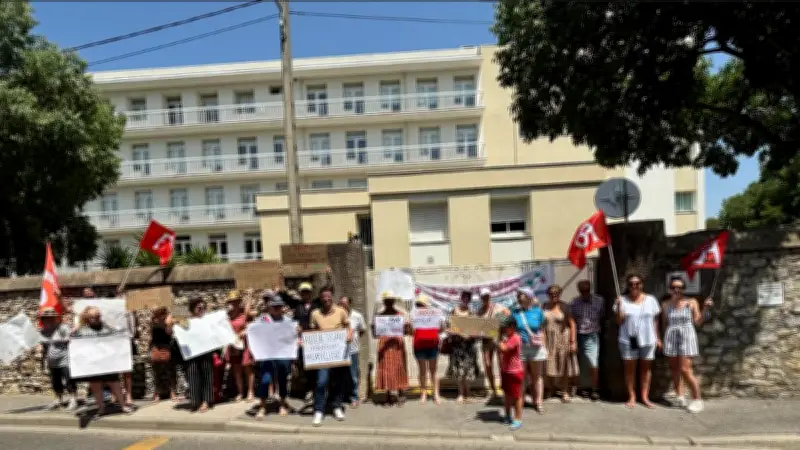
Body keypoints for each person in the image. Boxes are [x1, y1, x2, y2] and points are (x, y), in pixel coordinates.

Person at [662, 276, 713, 413]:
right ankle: (680, 395)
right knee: (674, 368)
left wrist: (705, 309)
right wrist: (662, 339)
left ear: (684, 289)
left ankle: (697, 399)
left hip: (686, 335)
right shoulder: (666, 304)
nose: (676, 290)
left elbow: (698, 322)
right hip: (671, 336)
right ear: (670, 289)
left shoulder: (691, 302)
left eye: (679, 287)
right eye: (673, 287)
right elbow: (664, 323)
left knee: (685, 369)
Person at [71, 306, 132, 417]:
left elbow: (117, 337)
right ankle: (101, 408)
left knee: (115, 383)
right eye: (93, 316)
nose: (95, 318)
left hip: (107, 361)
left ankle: (123, 406)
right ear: (87, 317)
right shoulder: (82, 330)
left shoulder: (106, 327)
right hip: (93, 363)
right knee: (96, 385)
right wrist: (73, 332)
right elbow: (73, 342)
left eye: (97, 316)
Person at [615, 274, 661, 409]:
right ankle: (632, 396)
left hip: (648, 339)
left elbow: (655, 320)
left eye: (637, 283)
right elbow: (619, 321)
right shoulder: (621, 300)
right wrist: (618, 307)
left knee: (646, 370)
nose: (634, 286)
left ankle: (645, 397)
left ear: (642, 284)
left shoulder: (651, 300)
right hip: (628, 340)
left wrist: (657, 337)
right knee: (630, 370)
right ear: (627, 286)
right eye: (631, 284)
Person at [309, 286, 352, 426]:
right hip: (322, 356)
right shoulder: (315, 314)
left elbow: (348, 326)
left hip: (338, 354)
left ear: (332, 297)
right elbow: (312, 331)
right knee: (321, 382)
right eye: (323, 296)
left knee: (338, 383)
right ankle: (319, 410)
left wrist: (349, 334)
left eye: (328, 296)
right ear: (320, 298)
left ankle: (337, 407)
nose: (326, 298)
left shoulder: (341, 311)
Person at [255, 295, 296, 419]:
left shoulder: (288, 321)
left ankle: (282, 404)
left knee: (282, 379)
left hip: (283, 355)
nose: (277, 309)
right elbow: (254, 333)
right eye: (274, 306)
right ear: (270, 307)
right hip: (267, 355)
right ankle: (262, 406)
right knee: (265, 380)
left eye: (279, 306)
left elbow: (292, 337)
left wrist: (296, 334)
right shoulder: (263, 320)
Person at [512, 287, 547, 414]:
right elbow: (511, 328)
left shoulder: (538, 311)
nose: (519, 297)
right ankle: (519, 400)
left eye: (522, 295)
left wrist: (543, 342)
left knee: (537, 376)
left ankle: (539, 402)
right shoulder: (515, 312)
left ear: (529, 297)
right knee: (521, 376)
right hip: (520, 348)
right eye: (519, 295)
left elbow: (542, 328)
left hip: (536, 348)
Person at [543, 285, 579, 402]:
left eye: (557, 293)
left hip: (563, 338)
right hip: (549, 339)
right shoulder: (544, 306)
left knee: (564, 366)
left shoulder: (565, 306)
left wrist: (573, 342)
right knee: (548, 365)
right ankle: (550, 389)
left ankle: (565, 391)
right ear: (548, 294)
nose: (554, 295)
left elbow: (572, 324)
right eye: (551, 293)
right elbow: (542, 325)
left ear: (560, 294)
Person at [373, 292, 409, 407]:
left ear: (394, 301)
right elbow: (375, 334)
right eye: (386, 300)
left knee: (399, 367)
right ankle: (387, 395)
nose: (388, 302)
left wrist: (407, 327)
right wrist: (374, 327)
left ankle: (401, 393)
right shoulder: (380, 316)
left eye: (390, 300)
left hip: (396, 344)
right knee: (386, 368)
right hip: (384, 344)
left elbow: (407, 332)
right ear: (384, 302)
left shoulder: (400, 315)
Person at [570, 280, 604, 400]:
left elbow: (601, 316)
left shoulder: (599, 301)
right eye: (582, 290)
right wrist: (573, 340)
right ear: (579, 290)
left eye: (586, 290)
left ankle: (595, 388)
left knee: (593, 362)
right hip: (579, 335)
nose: (584, 292)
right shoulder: (574, 302)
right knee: (580, 364)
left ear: (590, 289)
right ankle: (582, 387)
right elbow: (572, 320)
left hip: (592, 335)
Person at [39, 307, 77, 411]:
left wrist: (57, 339)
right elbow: (44, 347)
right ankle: (58, 400)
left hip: (65, 359)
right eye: (46, 318)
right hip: (52, 362)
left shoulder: (62, 328)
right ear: (43, 319)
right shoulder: (43, 331)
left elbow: (70, 338)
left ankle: (73, 399)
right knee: (55, 382)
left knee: (69, 380)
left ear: (55, 318)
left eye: (51, 318)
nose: (49, 320)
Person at [475, 287, 510, 400]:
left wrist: (500, 322)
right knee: (488, 365)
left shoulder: (498, 307)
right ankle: (493, 390)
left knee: (502, 365)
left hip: (498, 339)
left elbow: (508, 316)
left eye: (487, 296)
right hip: (486, 341)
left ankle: (504, 389)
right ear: (480, 298)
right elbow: (477, 327)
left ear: (490, 296)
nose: (485, 298)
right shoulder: (479, 311)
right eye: (483, 296)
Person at [446, 290, 480, 404]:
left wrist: (470, 336)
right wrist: (458, 333)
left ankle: (468, 393)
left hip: (469, 346)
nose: (466, 299)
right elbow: (448, 328)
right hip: (457, 346)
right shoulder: (454, 311)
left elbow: (477, 329)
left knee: (468, 370)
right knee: (459, 371)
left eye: (468, 298)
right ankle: (460, 394)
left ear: (470, 300)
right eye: (464, 297)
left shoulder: (472, 312)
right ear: (461, 298)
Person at [411, 294, 444, 405]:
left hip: (433, 344)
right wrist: (408, 325)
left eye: (422, 305)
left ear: (427, 306)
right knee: (422, 371)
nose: (420, 307)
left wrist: (441, 323)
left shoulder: (435, 315)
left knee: (433, 371)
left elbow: (441, 329)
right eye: (418, 305)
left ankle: (436, 394)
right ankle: (423, 393)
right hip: (419, 345)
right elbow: (411, 331)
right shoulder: (414, 315)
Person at [225, 290, 255, 402]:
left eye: (236, 301)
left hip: (244, 343)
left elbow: (252, 325)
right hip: (233, 344)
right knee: (236, 370)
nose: (234, 303)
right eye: (232, 301)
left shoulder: (245, 313)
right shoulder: (227, 315)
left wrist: (245, 330)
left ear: (239, 301)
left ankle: (250, 392)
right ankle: (240, 393)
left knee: (247, 368)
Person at [185, 296, 214, 412]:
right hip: (192, 353)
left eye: (203, 307)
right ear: (192, 309)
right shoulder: (187, 322)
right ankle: (194, 401)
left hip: (206, 351)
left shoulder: (209, 320)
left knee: (207, 375)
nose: (201, 308)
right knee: (192, 375)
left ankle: (206, 401)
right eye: (198, 307)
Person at [338, 295, 366, 408]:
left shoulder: (357, 316)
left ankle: (354, 397)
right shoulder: (336, 316)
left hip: (353, 349)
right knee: (340, 375)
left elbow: (362, 330)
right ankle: (341, 397)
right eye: (340, 304)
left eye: (345, 303)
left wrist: (354, 338)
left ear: (350, 304)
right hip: (339, 351)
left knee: (353, 375)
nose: (343, 306)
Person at [498, 316, 524, 431]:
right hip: (506, 370)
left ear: (513, 327)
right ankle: (508, 416)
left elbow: (504, 349)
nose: (504, 329)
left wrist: (496, 339)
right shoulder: (507, 337)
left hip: (515, 372)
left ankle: (518, 419)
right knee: (507, 395)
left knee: (516, 396)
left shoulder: (515, 338)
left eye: (506, 327)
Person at [150, 306, 177, 403]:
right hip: (155, 346)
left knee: (170, 371)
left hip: (166, 346)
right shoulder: (153, 318)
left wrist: (168, 323)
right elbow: (152, 330)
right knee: (157, 372)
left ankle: (172, 392)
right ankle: (157, 393)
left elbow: (169, 332)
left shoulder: (169, 318)